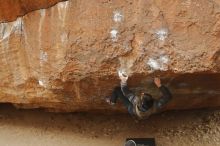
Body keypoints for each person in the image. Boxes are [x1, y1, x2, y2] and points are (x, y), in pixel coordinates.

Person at [106, 71, 172, 119]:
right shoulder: (156, 105)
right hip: (145, 113)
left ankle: (112, 101)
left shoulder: (136, 101)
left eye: (142, 95)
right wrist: (159, 85)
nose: (142, 93)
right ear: (152, 100)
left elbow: (126, 92)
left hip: (132, 109)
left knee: (117, 90)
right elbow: (168, 96)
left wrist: (123, 81)